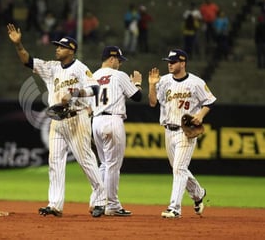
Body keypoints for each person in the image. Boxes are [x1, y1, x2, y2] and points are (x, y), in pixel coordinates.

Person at [7, 23, 107, 217]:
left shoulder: (80, 68)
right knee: (54, 162)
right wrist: (18, 45)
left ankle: (101, 200)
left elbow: (95, 89)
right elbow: (28, 61)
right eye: (57, 46)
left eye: (61, 47)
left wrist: (76, 92)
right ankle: (55, 204)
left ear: (71, 50)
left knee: (85, 160)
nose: (57, 49)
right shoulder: (51, 67)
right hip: (57, 120)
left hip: (76, 118)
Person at [148, 49, 216, 218]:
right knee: (179, 168)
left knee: (179, 168)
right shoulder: (163, 81)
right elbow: (152, 103)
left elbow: (210, 101)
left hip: (185, 131)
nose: (169, 64)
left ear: (183, 63)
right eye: (168, 62)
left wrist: (200, 115)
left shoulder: (195, 82)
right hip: (168, 131)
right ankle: (198, 193)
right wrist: (151, 85)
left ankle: (175, 208)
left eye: (173, 62)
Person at [92, 46, 142, 216]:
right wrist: (136, 83)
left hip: (96, 121)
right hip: (113, 120)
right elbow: (137, 97)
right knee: (113, 166)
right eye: (119, 60)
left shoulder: (93, 76)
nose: (120, 64)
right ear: (111, 59)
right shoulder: (119, 76)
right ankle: (112, 205)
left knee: (104, 164)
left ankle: (96, 201)